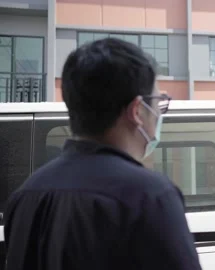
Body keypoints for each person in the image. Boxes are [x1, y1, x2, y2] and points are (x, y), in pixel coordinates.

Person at [3, 38, 202, 270]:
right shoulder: (151, 195)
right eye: (158, 102)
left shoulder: (26, 195)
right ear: (137, 110)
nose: (159, 113)